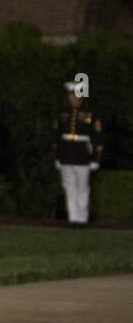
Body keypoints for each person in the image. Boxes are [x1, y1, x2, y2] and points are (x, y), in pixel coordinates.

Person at [55, 80, 102, 226]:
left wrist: (95, 158)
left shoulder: (88, 114)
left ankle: (82, 218)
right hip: (66, 153)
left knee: (82, 187)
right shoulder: (62, 113)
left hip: (83, 154)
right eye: (72, 95)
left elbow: (97, 136)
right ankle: (73, 218)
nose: (75, 98)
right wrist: (57, 156)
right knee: (69, 187)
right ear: (69, 96)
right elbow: (56, 136)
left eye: (77, 95)